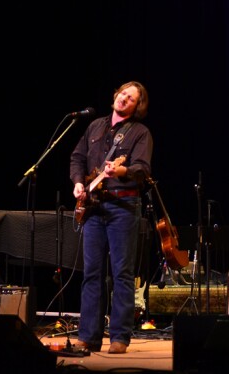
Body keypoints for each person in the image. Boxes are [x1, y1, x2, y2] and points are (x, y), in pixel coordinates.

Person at [70, 81, 152, 354]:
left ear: (136, 106)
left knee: (122, 274)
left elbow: (141, 169)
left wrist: (120, 171)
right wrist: (78, 183)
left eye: (131, 98)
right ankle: (89, 336)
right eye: (123, 94)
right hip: (93, 207)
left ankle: (119, 337)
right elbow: (77, 157)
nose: (125, 99)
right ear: (115, 94)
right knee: (92, 273)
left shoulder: (140, 133)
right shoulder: (94, 126)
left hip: (123, 207)